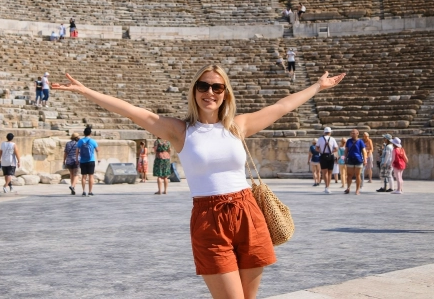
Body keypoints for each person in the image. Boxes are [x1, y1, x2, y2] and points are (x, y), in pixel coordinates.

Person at [52, 65, 343, 297]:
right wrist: (85, 91)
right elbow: (131, 111)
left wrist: (318, 86)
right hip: (209, 218)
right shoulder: (180, 131)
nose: (209, 92)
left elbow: (281, 106)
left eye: (217, 87)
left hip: (248, 213)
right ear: (194, 91)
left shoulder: (238, 126)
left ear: (225, 93)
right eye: (203, 86)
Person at [76, 126, 99, 197]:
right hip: (91, 160)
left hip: (83, 161)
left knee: (84, 176)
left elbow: (77, 151)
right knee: (91, 176)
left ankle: (83, 191)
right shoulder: (93, 141)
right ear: (90, 133)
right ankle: (90, 191)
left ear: (84, 133)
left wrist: (77, 159)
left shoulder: (80, 141)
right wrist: (98, 158)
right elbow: (97, 150)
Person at [343, 129, 367, 195]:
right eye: (351, 133)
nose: (352, 134)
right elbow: (346, 150)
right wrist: (344, 158)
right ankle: (348, 187)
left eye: (354, 133)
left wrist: (365, 159)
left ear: (357, 133)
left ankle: (357, 190)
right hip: (350, 158)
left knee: (358, 175)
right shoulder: (348, 141)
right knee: (349, 175)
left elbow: (364, 151)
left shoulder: (360, 141)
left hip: (358, 159)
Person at [317, 127, 339, 194]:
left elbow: (316, 148)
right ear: (330, 132)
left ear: (324, 132)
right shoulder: (332, 139)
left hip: (323, 156)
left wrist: (321, 151)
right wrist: (331, 151)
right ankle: (328, 187)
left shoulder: (320, 139)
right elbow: (336, 148)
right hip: (330, 156)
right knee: (330, 172)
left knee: (324, 172)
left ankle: (326, 187)